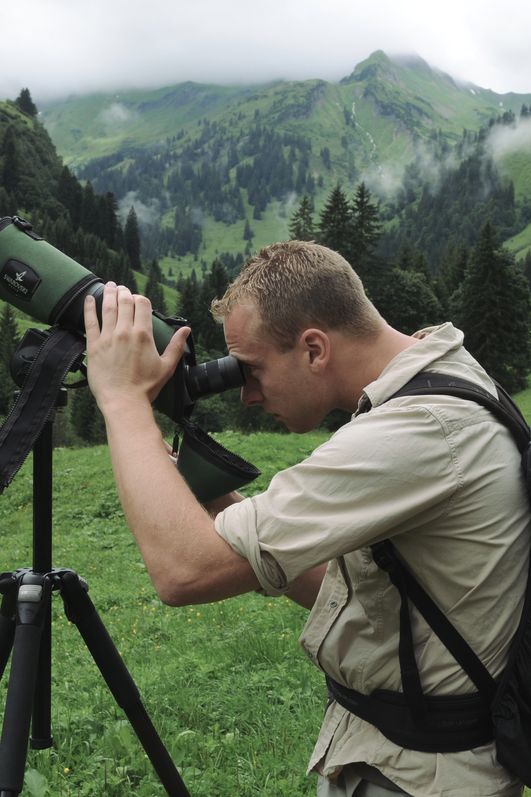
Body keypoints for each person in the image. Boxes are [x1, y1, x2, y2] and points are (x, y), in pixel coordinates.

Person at [84, 240, 529, 797]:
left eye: (251, 369)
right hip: (390, 756)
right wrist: (205, 501)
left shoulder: (419, 431)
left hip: (420, 778)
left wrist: (123, 399)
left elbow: (183, 571)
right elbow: (354, 591)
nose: (245, 394)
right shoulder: (438, 382)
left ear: (315, 349)